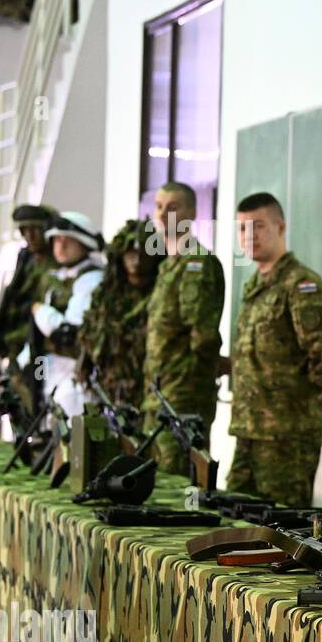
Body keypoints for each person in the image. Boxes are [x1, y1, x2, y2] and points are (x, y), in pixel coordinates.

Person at [226, 192, 322, 507]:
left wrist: (300, 406)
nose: (250, 236)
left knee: (280, 527)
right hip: (249, 429)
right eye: (242, 228)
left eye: (258, 226)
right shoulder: (255, 286)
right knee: (234, 518)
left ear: (281, 226)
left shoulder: (301, 284)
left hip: (286, 436)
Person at [141, 182, 226, 475]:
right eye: (159, 206)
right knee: (154, 476)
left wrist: (189, 387)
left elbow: (202, 336)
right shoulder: (168, 266)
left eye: (173, 207)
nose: (163, 214)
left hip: (182, 397)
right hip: (158, 392)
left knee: (176, 480)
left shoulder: (197, 263)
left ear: (191, 213)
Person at [21, 212, 106, 417]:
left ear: (84, 243)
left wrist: (40, 311)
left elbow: (66, 333)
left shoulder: (92, 279)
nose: (60, 245)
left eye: (67, 240)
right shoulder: (58, 278)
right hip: (50, 372)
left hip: (75, 375)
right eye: (56, 240)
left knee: (70, 437)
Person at [76, 218, 160, 406]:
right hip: (109, 387)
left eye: (142, 252)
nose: (136, 259)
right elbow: (90, 333)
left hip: (149, 388)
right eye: (130, 253)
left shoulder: (162, 293)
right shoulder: (107, 295)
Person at [0, 203, 57, 412]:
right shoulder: (27, 260)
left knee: (39, 405)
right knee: (18, 406)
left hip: (40, 351)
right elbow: (13, 302)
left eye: (34, 229)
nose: (29, 236)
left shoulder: (56, 264)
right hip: (17, 348)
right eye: (24, 230)